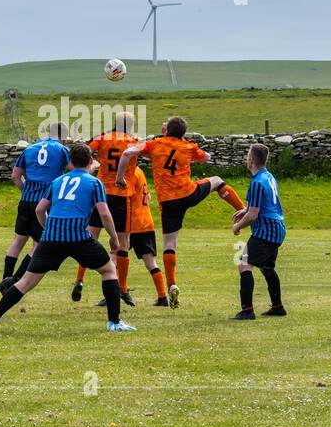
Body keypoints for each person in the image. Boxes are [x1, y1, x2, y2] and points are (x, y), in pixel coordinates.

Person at [0, 143, 134, 333]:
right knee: (109, 270)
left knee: (26, 282)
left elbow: (39, 209)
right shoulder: (95, 183)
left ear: (70, 161)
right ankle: (114, 323)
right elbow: (104, 213)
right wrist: (113, 238)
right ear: (90, 161)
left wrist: (48, 229)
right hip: (78, 237)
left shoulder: (57, 181)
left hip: (52, 238)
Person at [116, 116, 245, 308]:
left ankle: (172, 284)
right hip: (189, 192)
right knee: (217, 180)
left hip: (168, 201)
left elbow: (128, 153)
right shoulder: (188, 147)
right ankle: (241, 209)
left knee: (170, 243)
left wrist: (121, 175)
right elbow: (207, 157)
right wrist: (188, 146)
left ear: (166, 129)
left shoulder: (154, 144)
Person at [74, 112, 137, 303]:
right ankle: (123, 289)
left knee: (89, 238)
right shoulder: (133, 140)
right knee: (123, 243)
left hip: (100, 193)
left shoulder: (102, 138)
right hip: (121, 195)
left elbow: (84, 151)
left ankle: (79, 281)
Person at [1, 123, 70, 290]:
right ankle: (15, 280)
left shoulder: (30, 148)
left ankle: (6, 277)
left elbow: (16, 176)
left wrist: (27, 192)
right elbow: (76, 171)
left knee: (18, 241)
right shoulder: (61, 149)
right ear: (63, 136)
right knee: (40, 244)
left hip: (26, 201)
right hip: (44, 203)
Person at [230, 143, 286, 319]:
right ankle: (278, 307)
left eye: (248, 155)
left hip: (266, 229)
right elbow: (260, 204)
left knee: (243, 263)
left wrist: (237, 227)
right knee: (267, 268)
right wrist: (245, 210)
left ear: (251, 160)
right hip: (277, 229)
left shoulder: (256, 182)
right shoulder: (268, 177)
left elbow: (254, 215)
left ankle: (247, 310)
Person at [121, 163, 171, 307]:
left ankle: (117, 291)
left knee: (114, 258)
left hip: (131, 224)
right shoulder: (139, 171)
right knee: (150, 262)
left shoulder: (128, 173)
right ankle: (162, 297)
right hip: (146, 223)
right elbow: (147, 197)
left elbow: (126, 199)